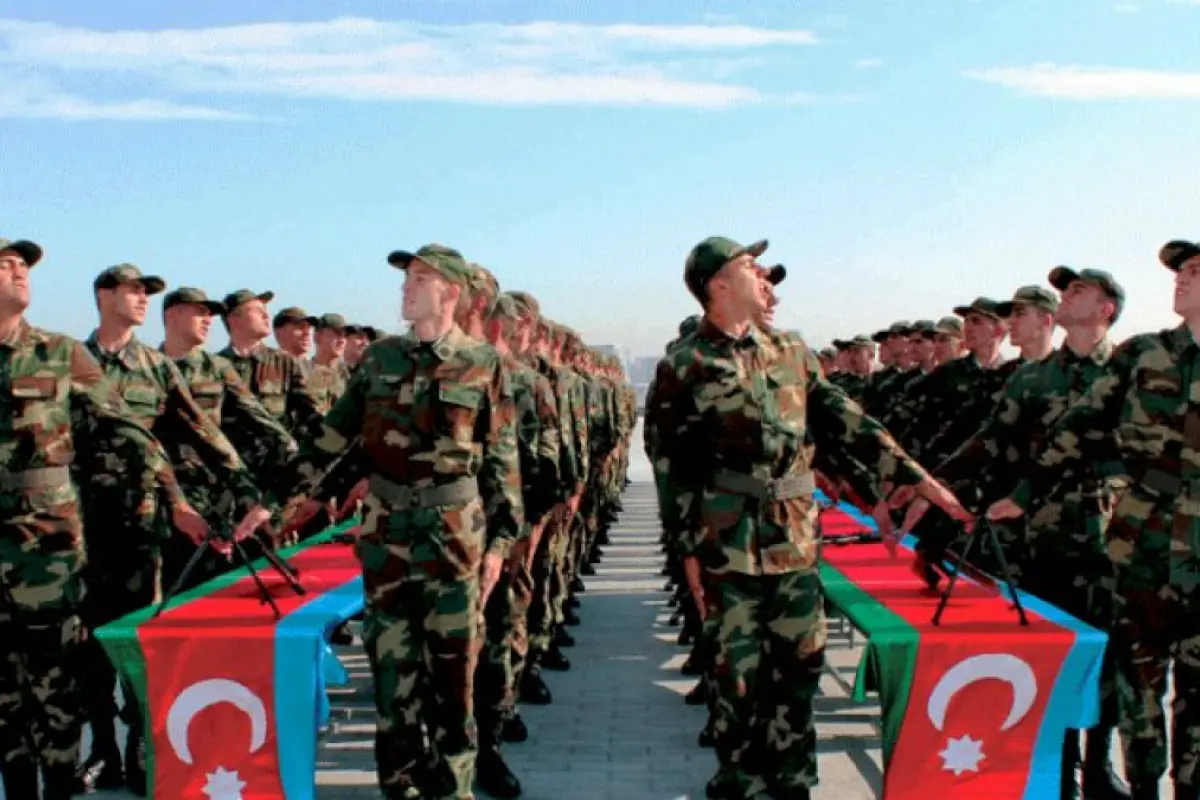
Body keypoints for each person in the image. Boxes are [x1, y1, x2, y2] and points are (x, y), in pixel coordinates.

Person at [652, 235, 972, 800]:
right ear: (718, 284)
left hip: (794, 540)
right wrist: (687, 551)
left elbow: (847, 423)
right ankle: (742, 779)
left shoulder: (791, 352)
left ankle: (794, 780)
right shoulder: (685, 365)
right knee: (738, 674)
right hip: (727, 543)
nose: (761, 276)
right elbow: (670, 465)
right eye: (748, 266)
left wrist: (913, 475)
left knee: (799, 668)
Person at [281, 243, 523, 800]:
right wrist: (277, 499)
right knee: (393, 685)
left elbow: (502, 460)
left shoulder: (483, 363)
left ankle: (455, 788)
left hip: (454, 544)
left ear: (451, 292)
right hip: (387, 542)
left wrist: (500, 545)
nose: (405, 288)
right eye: (405, 278)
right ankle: (400, 788)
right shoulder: (379, 360)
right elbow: (333, 438)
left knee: (454, 682)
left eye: (419, 278)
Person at [989, 243, 1199, 799]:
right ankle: (1131, 785)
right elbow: (1079, 426)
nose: (1180, 279)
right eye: (1180, 271)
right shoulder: (1145, 353)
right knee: (1137, 686)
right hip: (1139, 545)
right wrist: (1025, 493)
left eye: (1195, 271)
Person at [0, 238, 205, 800]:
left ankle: (67, 782)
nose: (20, 272)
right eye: (6, 264)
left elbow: (129, 432)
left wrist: (177, 499)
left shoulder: (59, 352)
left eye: (24, 265)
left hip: (48, 551)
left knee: (56, 680)